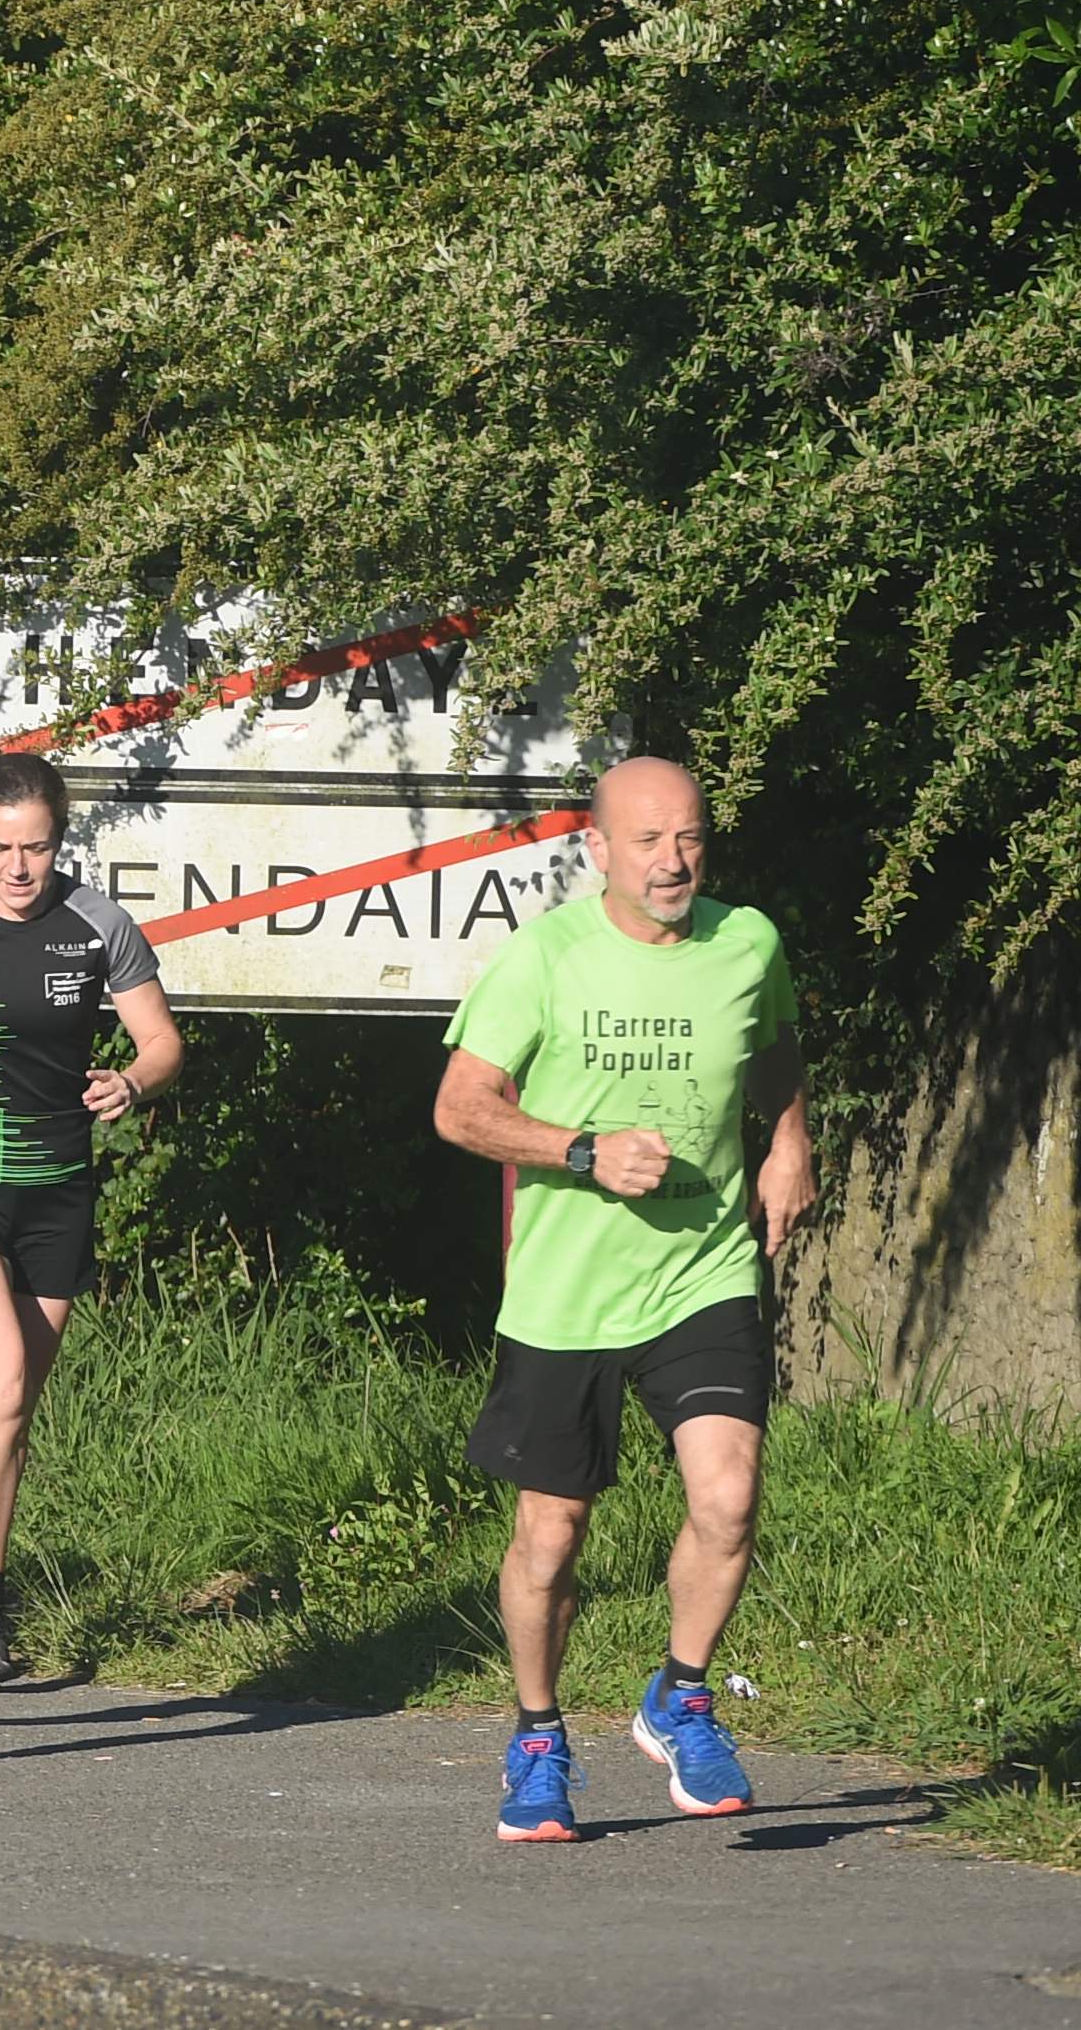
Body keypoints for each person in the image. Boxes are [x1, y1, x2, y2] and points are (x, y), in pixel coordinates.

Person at [433, 756, 809, 1843]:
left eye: (687, 837)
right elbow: (462, 1109)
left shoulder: (748, 944)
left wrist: (788, 1143)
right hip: (565, 1291)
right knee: (550, 1536)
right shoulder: (543, 958)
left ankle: (681, 1696)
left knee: (728, 1496)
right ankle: (539, 1738)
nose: (671, 861)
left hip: (702, 1269)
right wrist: (580, 1150)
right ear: (596, 848)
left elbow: (774, 1047)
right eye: (646, 841)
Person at [0, 753, 181, 1685]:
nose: (19, 867)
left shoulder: (97, 922)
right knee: (3, 1375)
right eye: (0, 847)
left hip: (61, 1190)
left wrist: (132, 1082)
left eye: (38, 846)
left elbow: (161, 1040)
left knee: (10, 1407)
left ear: (62, 839)